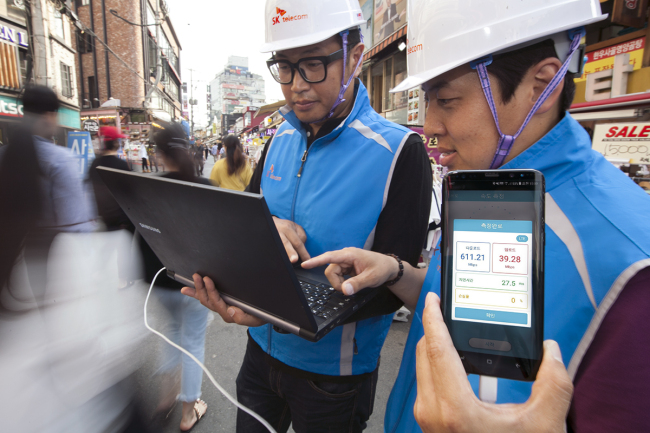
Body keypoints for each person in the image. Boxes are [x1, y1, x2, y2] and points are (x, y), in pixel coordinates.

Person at [301, 0, 650, 431]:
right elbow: (461, 322)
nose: (429, 125)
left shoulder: (630, 265)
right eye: (428, 99)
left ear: (541, 87)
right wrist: (395, 273)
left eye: (447, 100)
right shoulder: (490, 189)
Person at [181, 1, 432, 431]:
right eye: (285, 67)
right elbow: (249, 219)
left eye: (314, 64)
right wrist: (267, 227)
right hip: (260, 352)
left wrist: (292, 310)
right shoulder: (277, 137)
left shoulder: (401, 153)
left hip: (334, 378)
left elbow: (397, 284)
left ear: (355, 56)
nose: (297, 85)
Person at [141, 122, 210, 432]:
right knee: (193, 342)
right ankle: (188, 411)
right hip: (195, 284)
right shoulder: (204, 189)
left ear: (158, 155)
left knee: (170, 332)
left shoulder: (147, 188)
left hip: (159, 283)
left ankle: (166, 398)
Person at [88, 126, 133, 231]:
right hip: (121, 222)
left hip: (101, 219)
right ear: (115, 143)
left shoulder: (94, 164)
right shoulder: (121, 166)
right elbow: (130, 195)